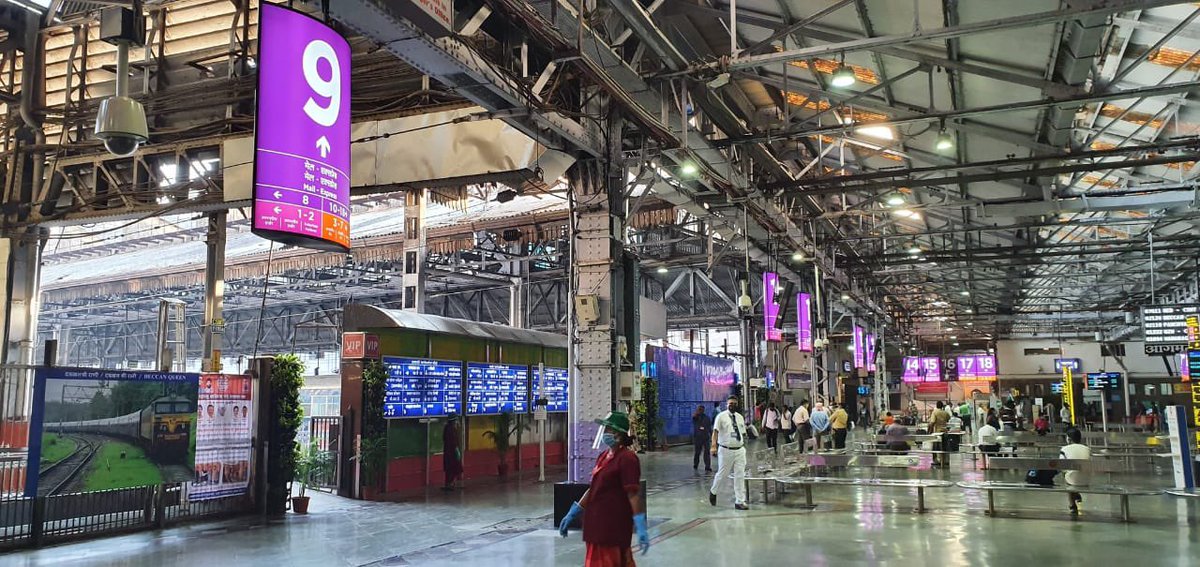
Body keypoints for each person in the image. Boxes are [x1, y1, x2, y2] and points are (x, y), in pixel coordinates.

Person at [559, 411, 650, 564]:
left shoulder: (627, 459)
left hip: (612, 528)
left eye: (608, 429)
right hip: (596, 527)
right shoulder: (603, 456)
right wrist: (574, 511)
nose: (605, 432)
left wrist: (640, 524)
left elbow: (633, 495)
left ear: (618, 433)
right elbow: (593, 488)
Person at [709, 395, 749, 510]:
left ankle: (739, 501)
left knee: (740, 475)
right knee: (723, 474)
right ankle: (713, 491)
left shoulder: (740, 417)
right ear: (726, 404)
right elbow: (715, 432)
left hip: (740, 450)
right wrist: (713, 446)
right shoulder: (721, 417)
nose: (732, 405)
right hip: (726, 450)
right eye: (730, 403)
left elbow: (742, 432)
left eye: (734, 404)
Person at [1059, 426, 1091, 514]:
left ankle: (1072, 505)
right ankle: (1076, 494)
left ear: (1069, 439)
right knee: (1073, 473)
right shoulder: (1087, 448)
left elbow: (1061, 466)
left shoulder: (1064, 449)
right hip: (1087, 480)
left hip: (1072, 480)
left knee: (1066, 474)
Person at [442, 415, 463, 491]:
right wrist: (456, 450)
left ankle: (449, 483)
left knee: (450, 469)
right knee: (453, 469)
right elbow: (453, 441)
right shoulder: (451, 429)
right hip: (452, 453)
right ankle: (450, 484)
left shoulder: (447, 428)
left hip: (448, 453)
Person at [691, 405, 712, 473]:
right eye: (699, 409)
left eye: (701, 409)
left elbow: (709, 428)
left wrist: (712, 435)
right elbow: (694, 418)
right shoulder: (695, 417)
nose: (700, 411)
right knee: (697, 452)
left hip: (706, 437)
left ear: (704, 410)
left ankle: (707, 466)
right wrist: (696, 413)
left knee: (707, 452)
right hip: (698, 438)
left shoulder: (707, 418)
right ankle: (695, 464)